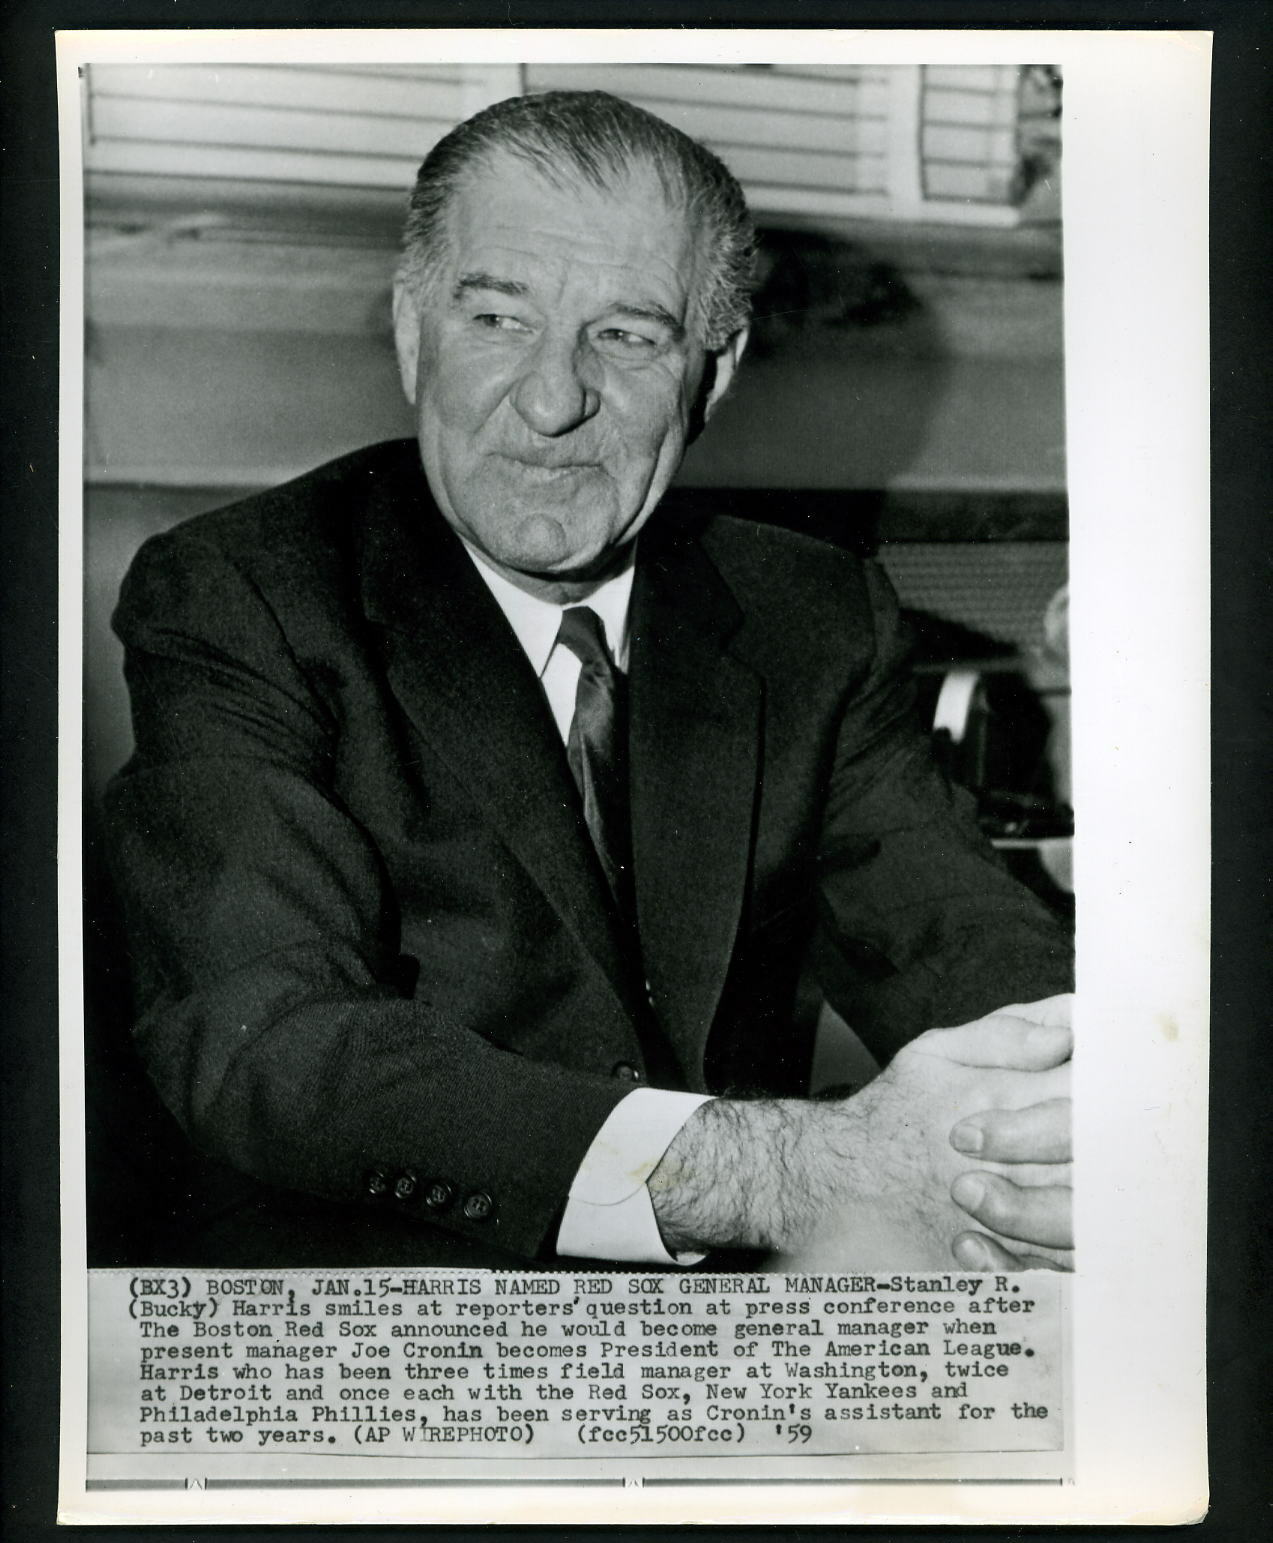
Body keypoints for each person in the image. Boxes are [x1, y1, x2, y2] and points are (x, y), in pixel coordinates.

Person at [103, 90, 1073, 1273]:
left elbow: (952, 940)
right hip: (388, 1329)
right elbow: (276, 1048)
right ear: (414, 334)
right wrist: (789, 1173)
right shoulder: (247, 593)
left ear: (712, 375)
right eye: (499, 317)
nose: (554, 401)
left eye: (626, 336)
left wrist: (1074, 1122)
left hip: (726, 1338)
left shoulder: (810, 616)